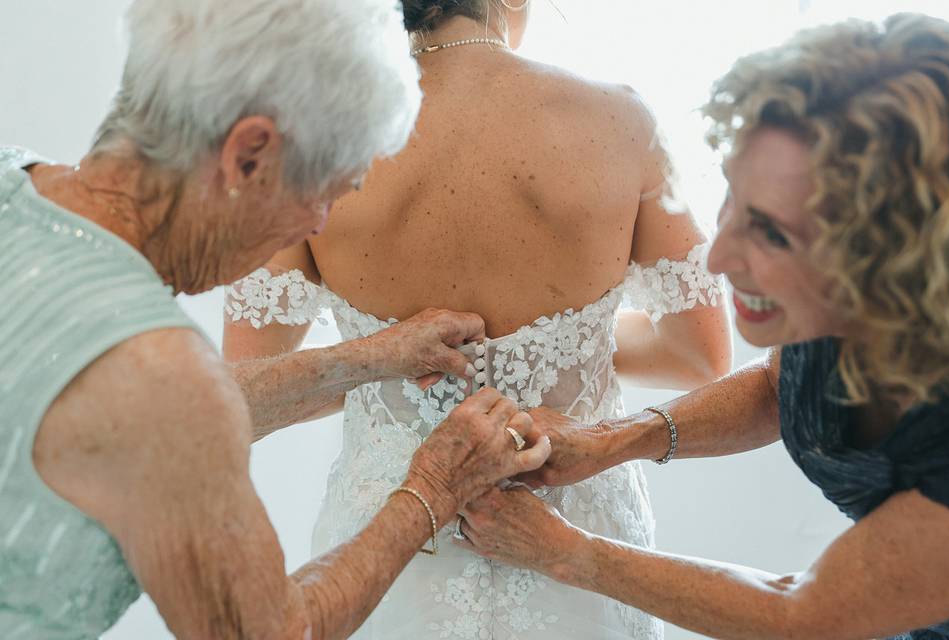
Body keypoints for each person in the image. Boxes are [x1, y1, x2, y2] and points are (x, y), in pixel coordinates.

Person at [0, 1, 550, 638]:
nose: (318, 224)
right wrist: (432, 489)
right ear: (249, 155)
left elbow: (112, 406)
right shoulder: (164, 381)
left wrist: (371, 358)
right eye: (322, 190)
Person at [223, 0, 732, 637]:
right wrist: (570, 349)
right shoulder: (620, 122)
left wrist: (377, 358)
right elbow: (699, 355)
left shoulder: (309, 147)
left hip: (390, 552)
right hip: (575, 546)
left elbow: (244, 395)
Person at [458, 13, 949, 640]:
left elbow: (803, 616)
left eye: (772, 232)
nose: (720, 259)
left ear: (900, 252)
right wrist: (618, 438)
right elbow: (782, 389)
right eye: (732, 200)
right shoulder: (843, 313)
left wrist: (567, 552)